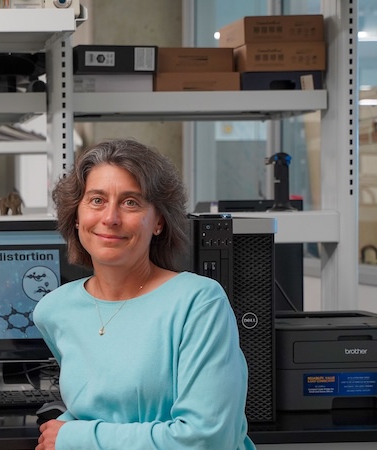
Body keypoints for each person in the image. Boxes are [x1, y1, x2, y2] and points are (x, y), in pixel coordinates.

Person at [33, 139, 255, 450]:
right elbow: (100, 406)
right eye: (96, 200)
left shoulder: (199, 302)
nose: (110, 218)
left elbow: (208, 439)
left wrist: (75, 438)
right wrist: (69, 424)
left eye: (131, 202)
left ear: (159, 222)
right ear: (76, 215)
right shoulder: (54, 310)